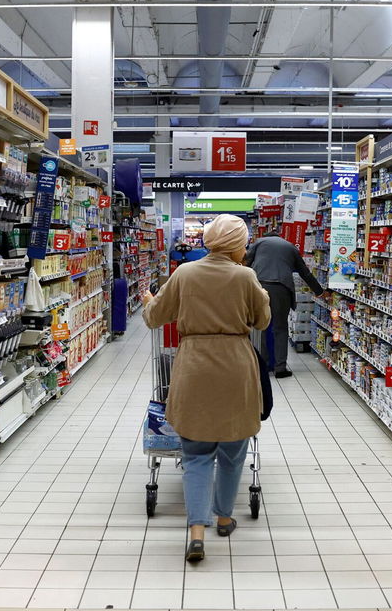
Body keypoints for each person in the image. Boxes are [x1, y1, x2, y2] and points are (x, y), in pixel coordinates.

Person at [141, 214, 270, 564]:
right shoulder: (246, 276)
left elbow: (155, 317)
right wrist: (262, 297)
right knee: (232, 451)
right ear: (236, 244)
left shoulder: (185, 273)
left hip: (194, 364)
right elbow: (261, 321)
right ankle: (224, 518)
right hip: (235, 366)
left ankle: (197, 532)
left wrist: (149, 299)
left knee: (196, 455)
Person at [245, 229, 328, 378]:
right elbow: (304, 272)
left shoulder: (258, 243)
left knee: (261, 327)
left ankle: (263, 365)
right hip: (281, 288)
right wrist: (319, 291)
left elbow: (245, 264)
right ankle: (280, 368)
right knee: (281, 328)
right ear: (280, 237)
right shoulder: (290, 246)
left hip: (259, 286)